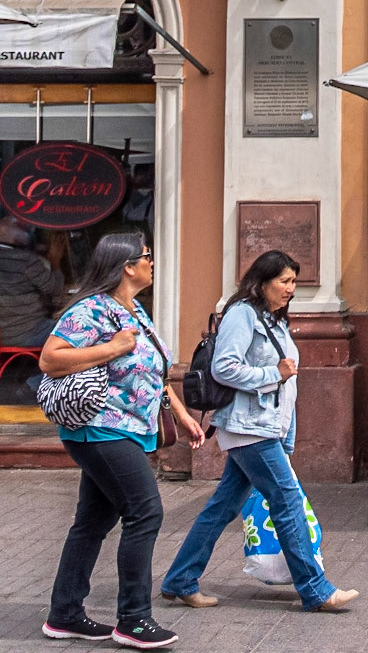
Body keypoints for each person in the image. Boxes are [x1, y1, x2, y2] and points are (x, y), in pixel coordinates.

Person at [159, 251, 356, 615]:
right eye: (284, 281)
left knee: (222, 507)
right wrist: (272, 375)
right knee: (287, 501)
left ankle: (180, 579)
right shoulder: (242, 314)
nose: (291, 289)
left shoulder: (273, 319)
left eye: (294, 282)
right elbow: (224, 368)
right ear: (262, 282)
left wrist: (286, 434)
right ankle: (315, 590)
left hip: (264, 428)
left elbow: (287, 384)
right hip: (247, 428)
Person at [38, 232, 205, 649]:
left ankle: (64, 614)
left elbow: (155, 371)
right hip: (100, 427)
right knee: (145, 512)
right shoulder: (91, 309)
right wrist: (112, 349)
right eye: (147, 256)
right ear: (127, 266)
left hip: (129, 427)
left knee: (93, 522)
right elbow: (50, 358)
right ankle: (134, 619)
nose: (153, 262)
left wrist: (182, 414)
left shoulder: (134, 310)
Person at [0, 213, 64, 346]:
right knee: (77, 328)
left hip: (5, 336)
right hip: (30, 333)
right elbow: (55, 289)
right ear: (2, 227)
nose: (25, 230)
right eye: (17, 225)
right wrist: (55, 261)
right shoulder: (25, 260)